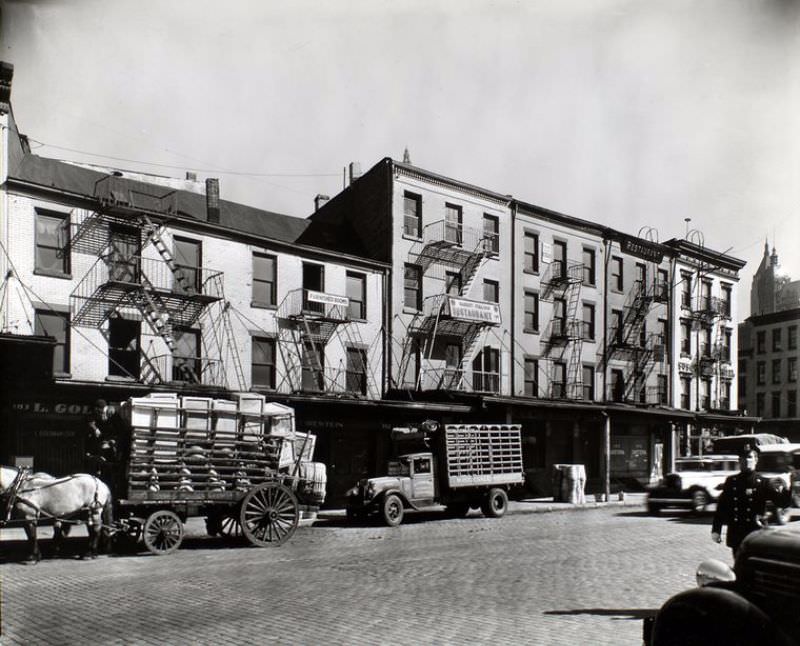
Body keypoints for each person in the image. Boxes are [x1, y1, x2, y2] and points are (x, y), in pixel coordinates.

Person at [711, 445, 792, 557]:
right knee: (739, 567)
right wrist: (716, 530)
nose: (746, 461)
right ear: (739, 461)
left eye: (749, 457)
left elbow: (783, 503)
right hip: (737, 534)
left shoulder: (763, 483)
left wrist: (787, 488)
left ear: (756, 460)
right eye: (743, 458)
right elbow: (722, 507)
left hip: (756, 534)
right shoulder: (731, 481)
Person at [85, 399, 128, 499]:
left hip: (113, 445)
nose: (101, 414)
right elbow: (90, 420)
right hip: (103, 442)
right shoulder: (96, 413)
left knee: (111, 473)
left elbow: (121, 432)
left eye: (102, 411)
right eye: (99, 412)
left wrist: (111, 442)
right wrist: (95, 429)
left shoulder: (113, 414)